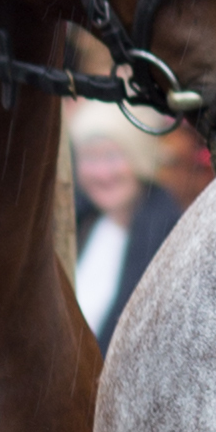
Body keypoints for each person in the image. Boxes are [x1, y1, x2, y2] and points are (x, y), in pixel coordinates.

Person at [68, 113, 179, 342]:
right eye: (89, 158)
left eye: (111, 156)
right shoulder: (75, 225)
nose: (101, 173)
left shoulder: (170, 238)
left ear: (140, 159)